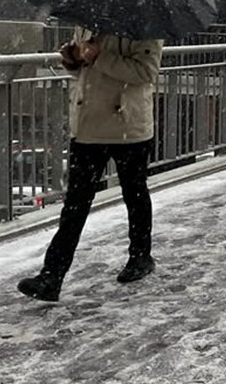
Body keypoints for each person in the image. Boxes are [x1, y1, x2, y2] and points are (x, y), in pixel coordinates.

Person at [18, 28, 164, 302]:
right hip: (87, 127)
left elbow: (146, 72)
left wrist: (98, 57)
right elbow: (85, 72)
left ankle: (140, 256)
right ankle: (52, 275)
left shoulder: (142, 28)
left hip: (129, 126)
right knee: (75, 203)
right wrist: (73, 59)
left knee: (134, 193)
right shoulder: (87, 23)